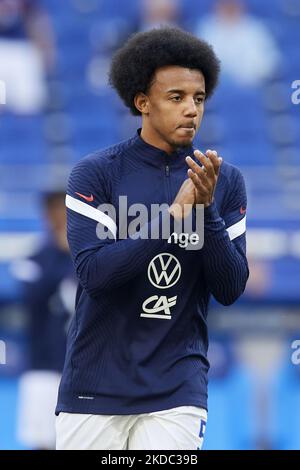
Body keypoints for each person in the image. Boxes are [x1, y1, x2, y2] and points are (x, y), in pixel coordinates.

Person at [55, 27, 249, 450]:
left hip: (177, 387)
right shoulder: (96, 174)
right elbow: (94, 274)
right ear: (142, 103)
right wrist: (172, 218)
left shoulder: (224, 180)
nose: (191, 110)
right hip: (95, 384)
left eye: (198, 99)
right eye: (176, 97)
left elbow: (231, 287)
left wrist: (206, 210)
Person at [12, 191, 76, 449]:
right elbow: (31, 297)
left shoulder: (90, 257)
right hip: (43, 366)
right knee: (44, 442)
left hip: (84, 368)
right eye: (55, 212)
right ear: (46, 216)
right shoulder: (37, 257)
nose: (61, 218)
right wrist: (59, 254)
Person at [195, 0, 280, 86]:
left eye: (233, 4)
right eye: (225, 3)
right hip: (214, 88)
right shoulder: (206, 28)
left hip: (250, 87)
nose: (229, 7)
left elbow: (268, 66)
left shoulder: (256, 29)